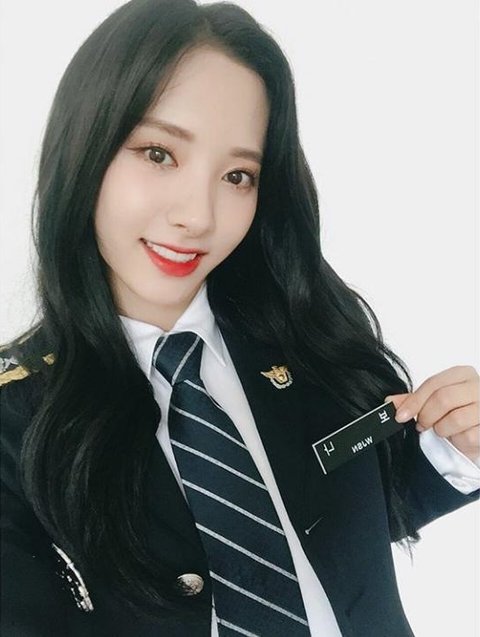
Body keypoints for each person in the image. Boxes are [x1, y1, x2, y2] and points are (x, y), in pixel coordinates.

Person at [0, 1, 478, 635]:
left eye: (237, 175)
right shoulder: (16, 420)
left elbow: (342, 514)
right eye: (159, 153)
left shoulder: (302, 336)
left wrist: (456, 449)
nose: (198, 216)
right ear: (83, 146)